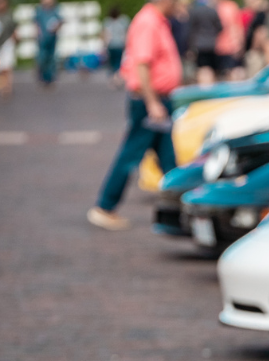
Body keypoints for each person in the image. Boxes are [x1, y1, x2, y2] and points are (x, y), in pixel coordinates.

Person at [89, 0, 183, 231]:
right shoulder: (149, 22)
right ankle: (105, 205)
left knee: (168, 159)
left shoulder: (157, 21)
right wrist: (152, 102)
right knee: (131, 155)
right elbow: (142, 64)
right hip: (150, 101)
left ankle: (180, 208)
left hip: (156, 100)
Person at [188, 0, 223, 85]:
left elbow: (190, 29)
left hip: (199, 45)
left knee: (202, 69)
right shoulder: (213, 11)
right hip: (212, 44)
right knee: (211, 69)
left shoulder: (194, 11)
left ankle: (204, 89)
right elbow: (220, 27)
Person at [35, 0, 63, 86]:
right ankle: (42, 77)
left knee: (51, 58)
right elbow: (36, 23)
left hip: (52, 38)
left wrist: (56, 27)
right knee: (42, 58)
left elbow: (60, 21)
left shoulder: (55, 10)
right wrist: (38, 33)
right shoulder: (39, 10)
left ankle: (50, 78)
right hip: (42, 38)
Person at [214, 0, 245, 79]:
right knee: (233, 72)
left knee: (221, 75)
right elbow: (238, 27)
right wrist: (240, 43)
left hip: (218, 46)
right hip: (230, 45)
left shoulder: (216, 7)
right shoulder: (231, 6)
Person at [104, 7, 130, 87]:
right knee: (119, 63)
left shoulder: (107, 21)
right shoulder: (123, 20)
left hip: (111, 45)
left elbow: (106, 34)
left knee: (112, 63)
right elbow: (126, 33)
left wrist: (105, 45)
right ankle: (118, 79)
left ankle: (113, 79)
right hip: (120, 45)